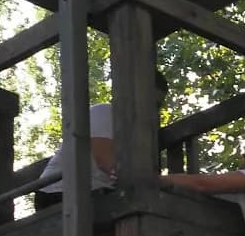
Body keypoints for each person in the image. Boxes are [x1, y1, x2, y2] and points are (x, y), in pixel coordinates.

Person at [35, 71, 169, 208]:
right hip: (57, 192)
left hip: (91, 191)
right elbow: (106, 162)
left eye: (157, 105)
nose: (152, 110)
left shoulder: (135, 131)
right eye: (148, 102)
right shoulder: (106, 112)